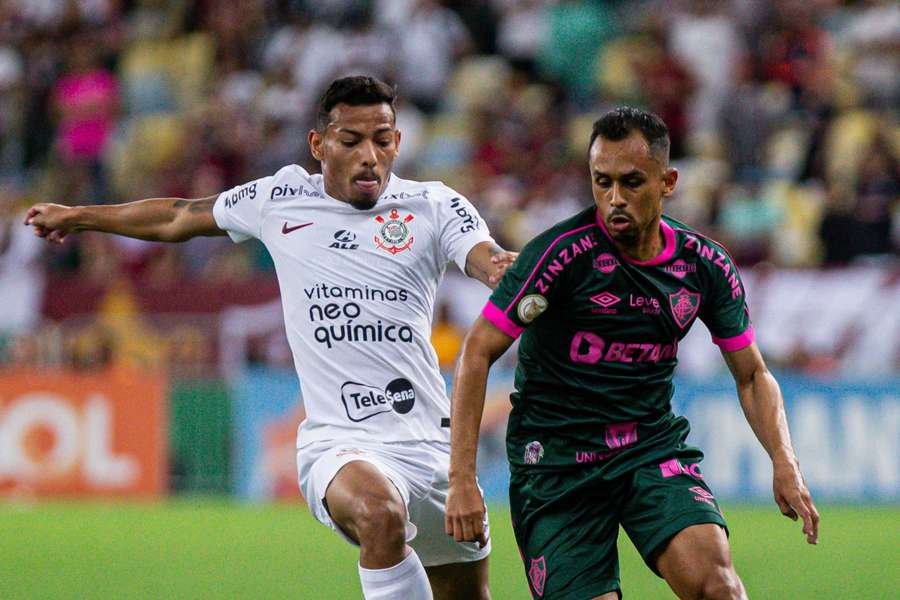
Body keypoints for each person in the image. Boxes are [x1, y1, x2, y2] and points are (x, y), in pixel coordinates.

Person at [26, 76, 513, 600]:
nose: (369, 156)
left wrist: (509, 270)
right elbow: (178, 216)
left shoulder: (434, 206)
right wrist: (81, 217)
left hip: (431, 446)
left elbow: (488, 260)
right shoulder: (280, 198)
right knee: (379, 514)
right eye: (351, 141)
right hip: (340, 442)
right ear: (318, 144)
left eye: (383, 139)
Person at [445, 107, 819, 599]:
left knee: (719, 586)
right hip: (557, 466)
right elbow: (476, 352)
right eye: (602, 182)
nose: (614, 199)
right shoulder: (559, 256)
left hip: (649, 450)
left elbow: (752, 375)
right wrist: (463, 479)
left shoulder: (703, 266)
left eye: (632, 182)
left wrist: (784, 461)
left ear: (668, 181)